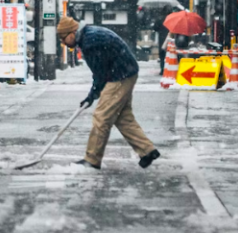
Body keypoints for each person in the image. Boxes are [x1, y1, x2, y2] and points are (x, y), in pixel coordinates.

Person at [57, 16, 161, 170]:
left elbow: (100, 73)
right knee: (122, 117)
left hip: (119, 76)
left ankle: (92, 159)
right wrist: (92, 94)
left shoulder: (90, 42)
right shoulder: (90, 34)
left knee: (102, 117)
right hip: (126, 72)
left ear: (72, 33)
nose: (63, 43)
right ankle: (147, 151)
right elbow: (101, 71)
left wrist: (92, 95)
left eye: (63, 38)